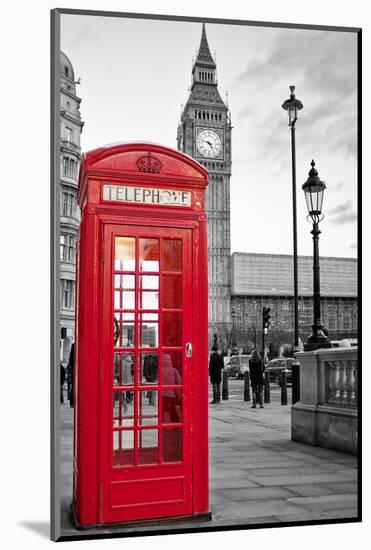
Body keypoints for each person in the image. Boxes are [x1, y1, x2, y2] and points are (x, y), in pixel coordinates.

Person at [67, 343, 75, 408]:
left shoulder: (73, 345)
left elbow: (70, 360)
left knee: (73, 387)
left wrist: (73, 369)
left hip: (74, 370)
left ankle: (72, 403)